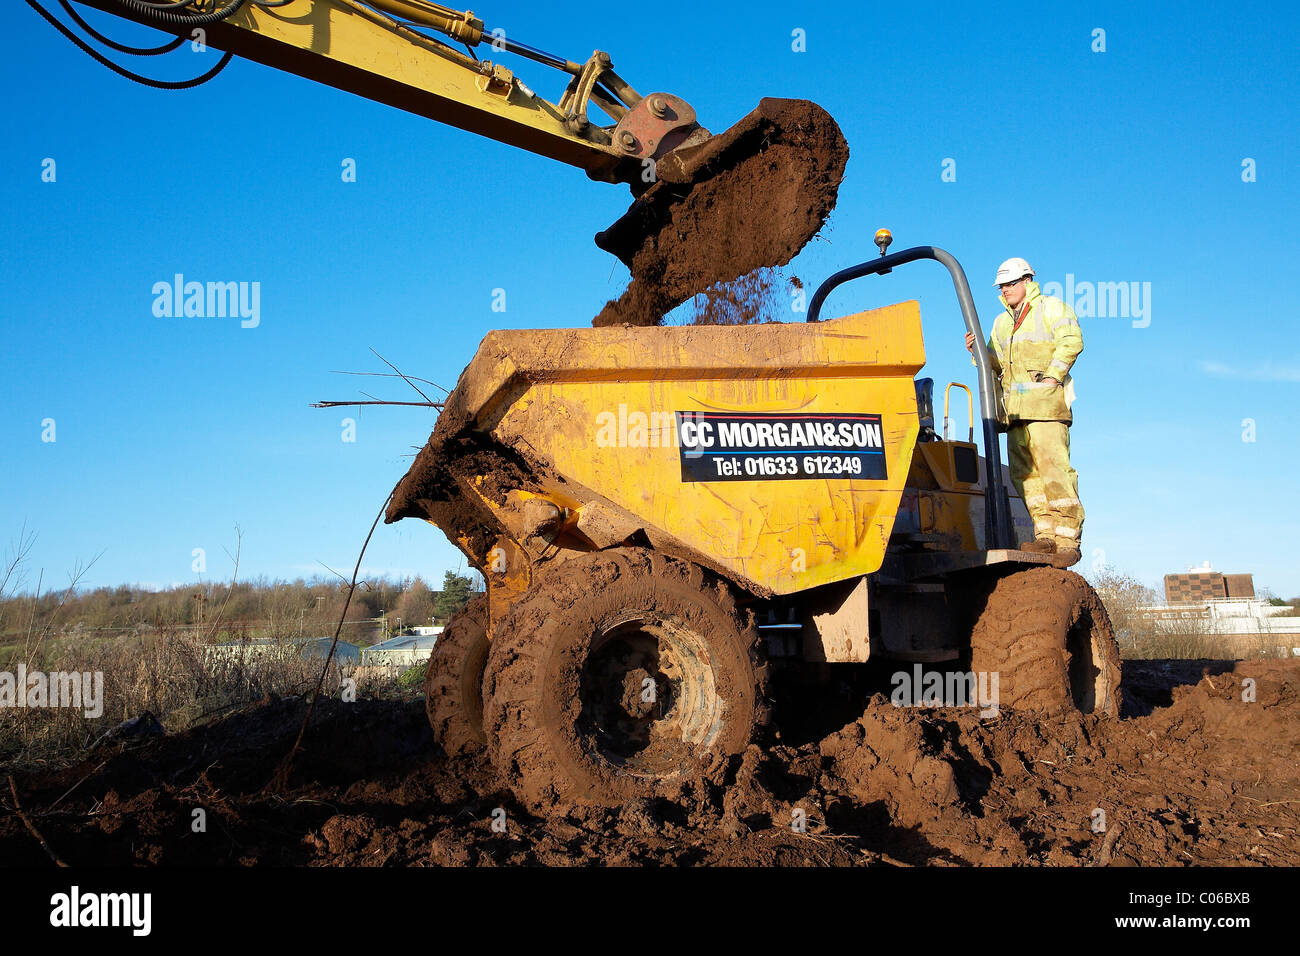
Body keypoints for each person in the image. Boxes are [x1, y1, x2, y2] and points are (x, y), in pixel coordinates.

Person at [965, 257, 1084, 563]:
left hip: (1045, 408)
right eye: (1001, 285)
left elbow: (1071, 341)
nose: (1004, 290)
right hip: (1015, 413)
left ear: (1027, 281)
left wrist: (1052, 377)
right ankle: (1044, 536)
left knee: (1054, 470)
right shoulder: (1001, 323)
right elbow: (995, 364)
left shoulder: (1051, 307)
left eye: (1009, 284)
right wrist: (978, 351)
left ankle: (1067, 539)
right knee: (1025, 478)